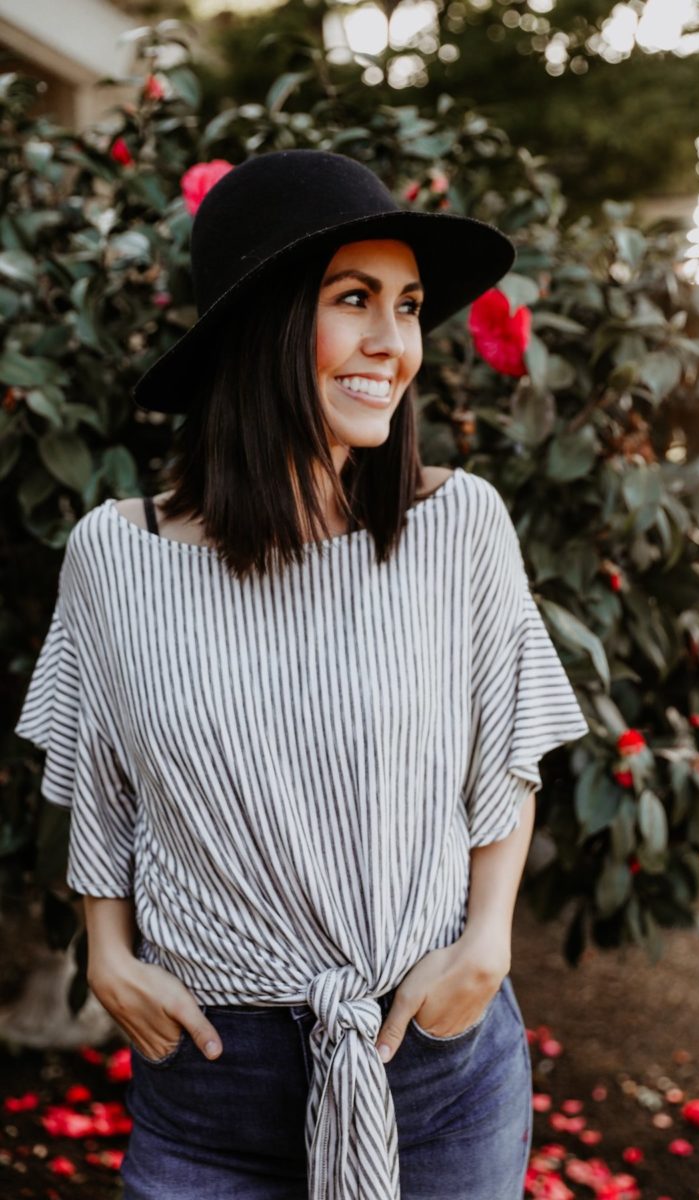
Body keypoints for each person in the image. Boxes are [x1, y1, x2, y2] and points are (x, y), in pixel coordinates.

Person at [14, 149, 589, 1200]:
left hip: (433, 1060)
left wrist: (488, 942)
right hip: (207, 1083)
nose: (392, 344)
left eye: (407, 307)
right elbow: (98, 776)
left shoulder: (455, 526)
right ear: (263, 323)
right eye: (353, 300)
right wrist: (105, 950)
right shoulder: (115, 553)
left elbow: (505, 749)